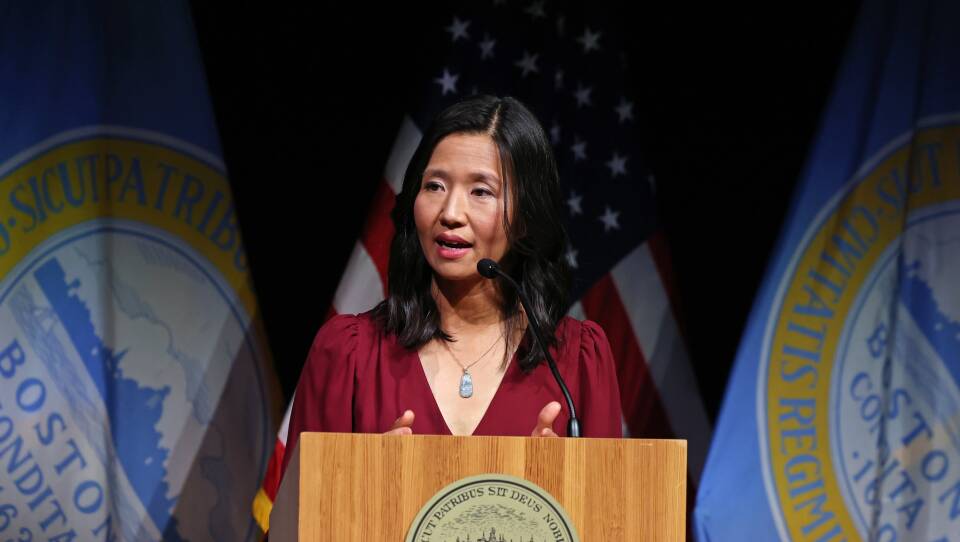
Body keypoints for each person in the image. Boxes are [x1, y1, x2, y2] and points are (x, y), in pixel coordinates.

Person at [280, 95, 621, 477]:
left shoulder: (578, 362)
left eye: (481, 192)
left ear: (526, 217)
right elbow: (297, 521)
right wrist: (362, 484)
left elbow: (612, 522)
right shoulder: (349, 355)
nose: (451, 213)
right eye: (435, 186)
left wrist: (564, 484)